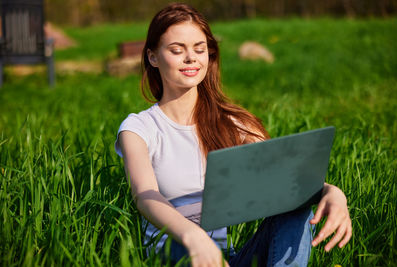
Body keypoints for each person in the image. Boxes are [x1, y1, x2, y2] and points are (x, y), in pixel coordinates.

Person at [115, 3, 352, 266]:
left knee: (297, 210)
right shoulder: (139, 128)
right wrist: (193, 235)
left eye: (199, 49)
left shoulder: (230, 122)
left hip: (224, 259)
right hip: (175, 256)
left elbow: (286, 177)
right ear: (153, 57)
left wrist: (331, 192)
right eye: (176, 50)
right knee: (181, 248)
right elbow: (145, 195)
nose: (191, 58)